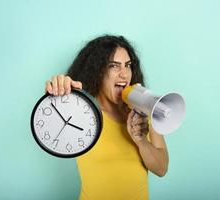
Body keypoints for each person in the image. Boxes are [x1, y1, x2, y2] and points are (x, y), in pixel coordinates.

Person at [45, 35, 169, 200]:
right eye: (114, 66)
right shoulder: (82, 113)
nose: (124, 74)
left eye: (128, 65)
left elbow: (161, 169)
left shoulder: (145, 110)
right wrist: (59, 89)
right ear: (97, 72)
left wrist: (141, 140)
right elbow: (51, 119)